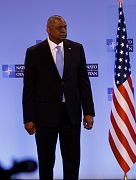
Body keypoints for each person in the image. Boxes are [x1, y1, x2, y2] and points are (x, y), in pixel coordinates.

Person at [22, 15, 95, 179]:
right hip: (44, 116)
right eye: (59, 28)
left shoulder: (77, 48)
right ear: (48, 29)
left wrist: (89, 112)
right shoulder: (34, 52)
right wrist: (29, 118)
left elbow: (84, 82)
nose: (63, 30)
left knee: (72, 159)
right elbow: (29, 88)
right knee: (46, 160)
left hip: (72, 114)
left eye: (65, 27)